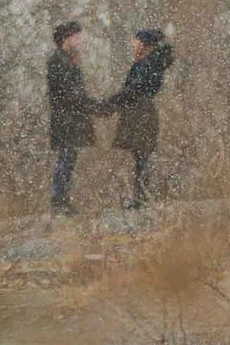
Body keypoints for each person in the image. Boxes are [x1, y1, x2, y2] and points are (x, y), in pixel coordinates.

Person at [107, 25, 175, 205]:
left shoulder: (145, 64)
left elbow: (133, 90)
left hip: (139, 112)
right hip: (142, 110)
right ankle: (141, 196)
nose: (133, 45)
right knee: (141, 156)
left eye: (136, 41)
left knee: (141, 156)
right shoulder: (152, 62)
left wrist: (111, 103)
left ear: (144, 44)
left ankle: (140, 198)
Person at [45, 18, 103, 212]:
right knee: (66, 157)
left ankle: (62, 199)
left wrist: (90, 104)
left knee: (69, 158)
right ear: (66, 38)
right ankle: (58, 200)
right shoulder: (57, 60)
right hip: (65, 118)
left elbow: (76, 91)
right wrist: (88, 103)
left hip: (72, 117)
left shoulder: (68, 59)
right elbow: (67, 91)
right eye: (76, 37)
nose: (79, 41)